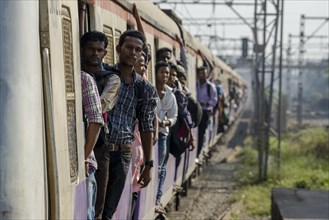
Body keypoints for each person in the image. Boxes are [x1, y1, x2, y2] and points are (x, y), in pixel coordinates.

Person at [94, 30, 158, 220]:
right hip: (100, 150)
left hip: (123, 154)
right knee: (96, 208)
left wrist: (148, 165)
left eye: (138, 49)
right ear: (118, 48)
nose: (133, 52)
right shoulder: (104, 76)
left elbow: (147, 127)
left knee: (109, 209)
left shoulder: (144, 88)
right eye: (129, 47)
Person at [80, 31, 108, 220]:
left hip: (90, 157)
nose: (94, 54)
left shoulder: (85, 79)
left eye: (99, 50)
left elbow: (96, 120)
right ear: (81, 50)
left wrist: (83, 156)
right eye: (90, 49)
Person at [154, 61, 178, 214]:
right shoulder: (150, 89)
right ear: (156, 73)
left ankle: (157, 198)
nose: (165, 75)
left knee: (161, 167)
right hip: (148, 133)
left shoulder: (171, 94)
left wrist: (164, 122)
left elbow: (174, 116)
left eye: (167, 73)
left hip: (162, 133)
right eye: (162, 72)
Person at [196, 66, 218, 157]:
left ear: (207, 74)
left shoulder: (210, 87)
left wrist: (205, 103)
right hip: (196, 110)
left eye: (204, 73)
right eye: (201, 73)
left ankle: (198, 153)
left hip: (205, 112)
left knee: (201, 132)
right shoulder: (195, 84)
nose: (202, 75)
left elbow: (214, 100)